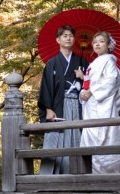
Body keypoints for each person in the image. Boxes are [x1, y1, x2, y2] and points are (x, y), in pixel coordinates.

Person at [37, 25, 90, 175]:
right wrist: (48, 108)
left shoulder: (83, 62)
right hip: (58, 107)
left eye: (71, 36)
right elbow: (46, 87)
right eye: (65, 35)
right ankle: (51, 178)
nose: (68, 38)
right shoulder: (52, 63)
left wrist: (84, 76)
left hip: (78, 105)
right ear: (58, 40)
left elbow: (92, 85)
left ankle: (78, 174)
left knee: (77, 136)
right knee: (56, 137)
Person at [75, 31, 120, 174]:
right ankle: (92, 178)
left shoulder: (109, 60)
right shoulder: (95, 62)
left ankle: (105, 180)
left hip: (101, 107)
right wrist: (83, 79)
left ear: (109, 45)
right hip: (91, 107)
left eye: (101, 41)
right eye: (95, 42)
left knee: (101, 138)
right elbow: (90, 83)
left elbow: (111, 81)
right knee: (90, 140)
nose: (97, 44)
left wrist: (92, 91)